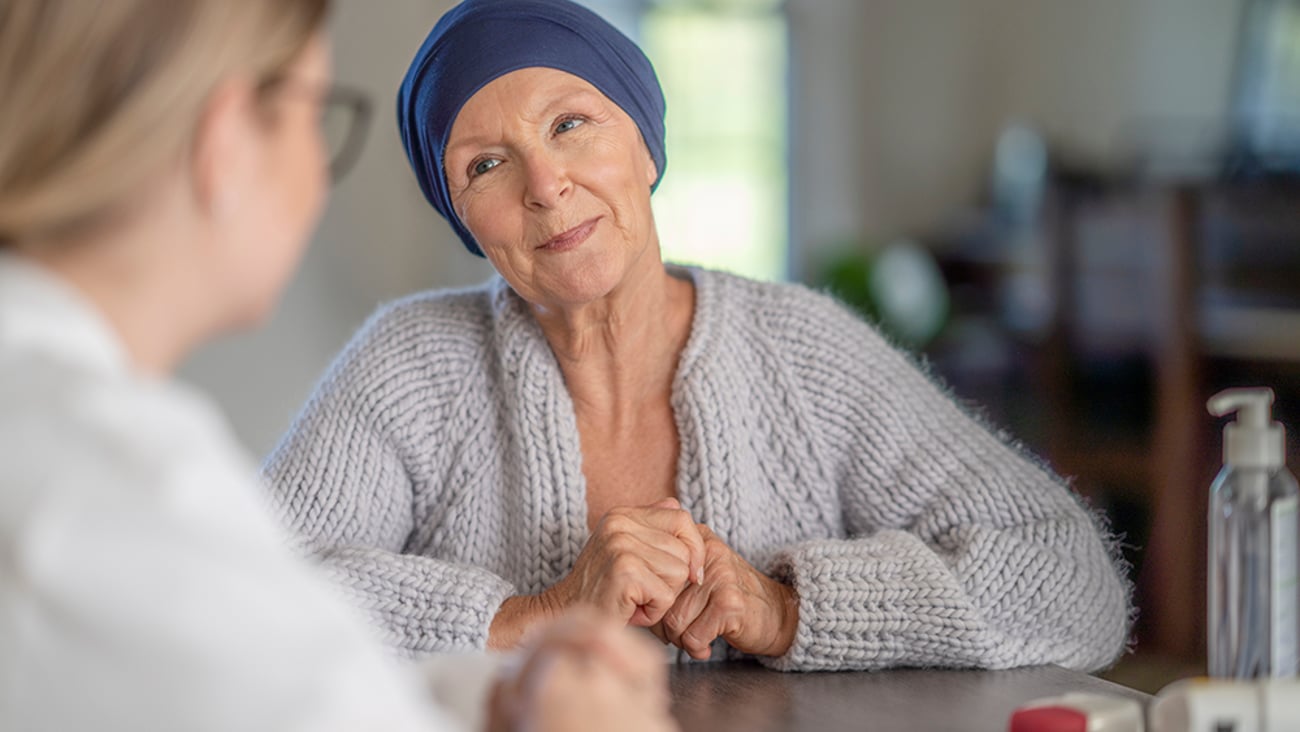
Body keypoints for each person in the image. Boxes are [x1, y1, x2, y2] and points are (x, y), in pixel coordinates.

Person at [265, 0, 1130, 672]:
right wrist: (530, 619)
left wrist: (788, 611)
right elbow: (240, 590)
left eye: (571, 124)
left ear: (644, 143)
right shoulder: (410, 365)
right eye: (485, 164)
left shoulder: (804, 352)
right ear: (463, 216)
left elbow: (1069, 579)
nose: (546, 185)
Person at [0, 1, 676, 731]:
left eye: (570, 126)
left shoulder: (66, 441)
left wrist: (481, 698)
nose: (545, 186)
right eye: (318, 114)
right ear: (227, 144)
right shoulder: (125, 490)